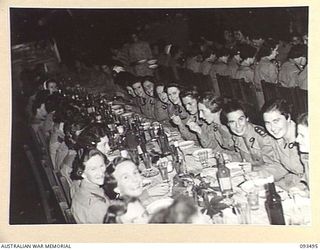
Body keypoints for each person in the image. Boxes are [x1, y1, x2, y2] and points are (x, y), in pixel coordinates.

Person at [103, 157, 170, 223]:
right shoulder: (123, 213)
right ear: (116, 188)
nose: (135, 179)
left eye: (135, 173)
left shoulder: (133, 203)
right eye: (126, 177)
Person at [261, 99, 304, 190]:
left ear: (288, 117)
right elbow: (280, 166)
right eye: (267, 123)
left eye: (276, 121)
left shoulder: (304, 137)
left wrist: (299, 188)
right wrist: (259, 175)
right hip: (293, 182)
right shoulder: (277, 138)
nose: (272, 128)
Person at [221, 100, 276, 168]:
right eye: (232, 122)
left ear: (247, 118)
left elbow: (273, 165)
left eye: (240, 119)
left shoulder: (262, 137)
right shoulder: (237, 136)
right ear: (228, 124)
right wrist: (229, 157)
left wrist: (252, 170)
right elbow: (244, 158)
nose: (237, 125)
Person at [71, 148, 111, 224]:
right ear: (82, 173)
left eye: (101, 166)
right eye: (93, 169)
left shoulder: (79, 187)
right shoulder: (98, 205)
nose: (100, 172)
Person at [253, 39, 279, 108]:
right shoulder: (270, 65)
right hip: (268, 98)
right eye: (276, 50)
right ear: (271, 50)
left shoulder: (258, 62)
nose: (277, 53)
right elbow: (275, 85)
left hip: (258, 97)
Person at [291, 112, 309, 195]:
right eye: (298, 134)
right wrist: (300, 187)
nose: (297, 140)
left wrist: (307, 195)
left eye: (302, 135)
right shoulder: (306, 156)